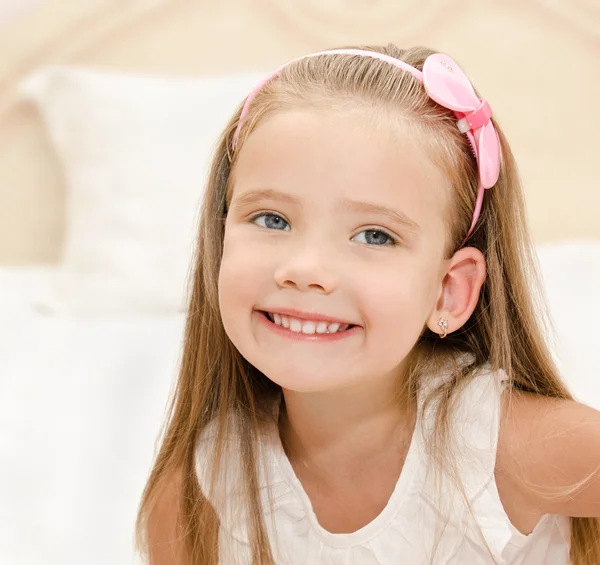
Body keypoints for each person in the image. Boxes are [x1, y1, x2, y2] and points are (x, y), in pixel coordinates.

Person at [135, 45, 600, 564]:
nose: (306, 269)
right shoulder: (201, 490)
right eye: (272, 219)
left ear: (449, 290)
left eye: (375, 235)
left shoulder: (506, 450)